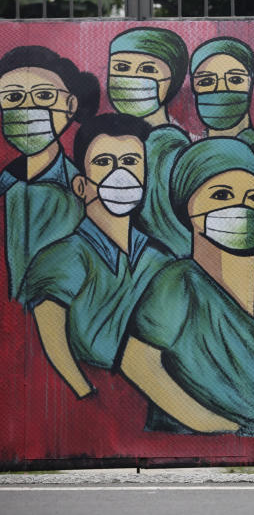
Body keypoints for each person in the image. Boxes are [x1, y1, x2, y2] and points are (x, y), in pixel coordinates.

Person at [121, 138, 254, 436]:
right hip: (192, 441)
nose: (242, 208)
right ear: (189, 208)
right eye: (222, 195)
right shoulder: (178, 283)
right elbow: (138, 364)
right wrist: (218, 426)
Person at [19, 114, 173, 398]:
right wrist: (85, 394)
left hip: (156, 395)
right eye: (103, 162)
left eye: (130, 162)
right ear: (80, 185)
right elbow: (52, 339)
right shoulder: (62, 257)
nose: (120, 173)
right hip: (97, 399)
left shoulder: (161, 260)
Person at [0, 46, 97, 297]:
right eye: (12, 98)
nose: (28, 108)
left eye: (44, 95)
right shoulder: (7, 182)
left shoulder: (80, 188)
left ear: (71, 105)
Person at [106, 27, 192, 256]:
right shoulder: (111, 141)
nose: (132, 78)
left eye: (148, 69)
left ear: (172, 80)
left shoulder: (170, 148)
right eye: (121, 68)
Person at [189, 37, 254, 189]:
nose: (221, 89)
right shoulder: (194, 150)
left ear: (251, 84)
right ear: (194, 89)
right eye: (206, 82)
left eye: (235, 79)